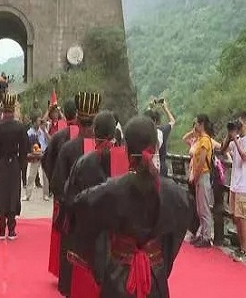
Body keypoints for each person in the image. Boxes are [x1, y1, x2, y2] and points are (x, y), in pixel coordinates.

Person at [68, 116, 193, 297]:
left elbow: (80, 209)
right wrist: (161, 260)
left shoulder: (111, 190)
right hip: (155, 277)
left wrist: (100, 266)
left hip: (117, 276)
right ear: (156, 147)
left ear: (126, 148)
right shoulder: (174, 192)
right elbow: (180, 226)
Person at [62, 110, 129, 297]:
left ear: (94, 130)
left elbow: (70, 198)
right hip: (119, 241)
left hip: (88, 235)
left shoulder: (84, 162)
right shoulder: (126, 160)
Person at [51, 91, 102, 296]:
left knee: (71, 261)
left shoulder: (68, 148)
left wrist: (68, 202)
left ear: (77, 120)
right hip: (99, 219)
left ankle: (67, 288)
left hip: (73, 216)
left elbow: (57, 184)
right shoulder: (108, 151)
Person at [41, 98, 78, 279]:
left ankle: (61, 271)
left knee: (62, 232)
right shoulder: (89, 137)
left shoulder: (58, 137)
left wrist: (55, 182)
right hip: (81, 194)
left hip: (61, 193)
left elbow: (46, 161)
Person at [0, 93, 29, 240]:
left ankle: (1, 228)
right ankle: (12, 228)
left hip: (2, 163)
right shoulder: (19, 127)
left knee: (2, 193)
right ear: (13, 109)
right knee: (13, 193)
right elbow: (25, 147)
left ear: (3, 108)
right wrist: (21, 163)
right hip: (14, 162)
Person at [223, 111, 246, 262]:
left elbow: (245, 156)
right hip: (235, 184)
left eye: (239, 122)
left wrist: (235, 140)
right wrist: (229, 136)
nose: (237, 125)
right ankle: (240, 248)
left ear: (245, 122)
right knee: (235, 218)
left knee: (242, 218)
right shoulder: (235, 138)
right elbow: (223, 150)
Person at [188, 114, 216, 248]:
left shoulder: (205, 140)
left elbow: (201, 161)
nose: (195, 126)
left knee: (204, 207)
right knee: (200, 207)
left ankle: (207, 236)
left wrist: (196, 175)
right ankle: (201, 234)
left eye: (196, 123)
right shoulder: (200, 139)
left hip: (203, 175)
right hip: (200, 175)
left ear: (201, 124)